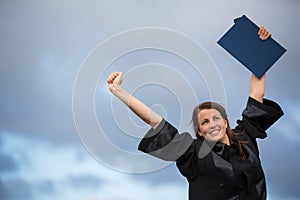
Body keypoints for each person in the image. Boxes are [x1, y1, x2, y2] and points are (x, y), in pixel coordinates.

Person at [107, 26, 284, 200]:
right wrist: (119, 91)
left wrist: (260, 46)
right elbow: (155, 121)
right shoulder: (194, 154)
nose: (212, 124)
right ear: (199, 131)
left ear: (226, 122)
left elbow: (256, 94)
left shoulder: (245, 138)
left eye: (216, 118)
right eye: (205, 122)